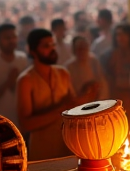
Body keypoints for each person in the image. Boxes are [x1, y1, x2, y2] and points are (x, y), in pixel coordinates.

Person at [16, 29, 95, 161]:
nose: (52, 49)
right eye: (46, 46)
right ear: (32, 50)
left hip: (67, 144)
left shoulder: (63, 73)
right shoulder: (26, 80)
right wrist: (61, 109)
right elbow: (26, 124)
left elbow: (73, 109)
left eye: (53, 45)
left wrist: (86, 95)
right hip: (41, 148)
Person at [100, 23, 130, 129]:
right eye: (118, 35)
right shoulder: (109, 55)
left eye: (124, 34)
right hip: (117, 96)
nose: (120, 38)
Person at [0, 23, 28, 126]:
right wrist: (8, 82)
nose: (12, 41)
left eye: (14, 37)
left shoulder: (22, 59)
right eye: (7, 38)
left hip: (20, 118)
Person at [65, 36, 108, 100]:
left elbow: (101, 81)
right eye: (80, 48)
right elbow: (70, 90)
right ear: (74, 50)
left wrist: (101, 99)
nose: (82, 51)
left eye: (85, 48)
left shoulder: (94, 61)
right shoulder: (69, 67)